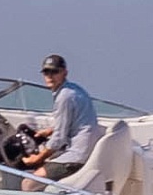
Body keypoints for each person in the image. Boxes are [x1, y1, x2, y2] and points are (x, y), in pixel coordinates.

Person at [21, 54, 99, 182]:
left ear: (64, 73)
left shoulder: (64, 97)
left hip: (76, 157)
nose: (50, 76)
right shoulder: (74, 89)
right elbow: (72, 121)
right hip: (86, 150)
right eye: (46, 72)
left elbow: (59, 139)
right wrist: (49, 131)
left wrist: (37, 158)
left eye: (55, 72)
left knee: (29, 182)